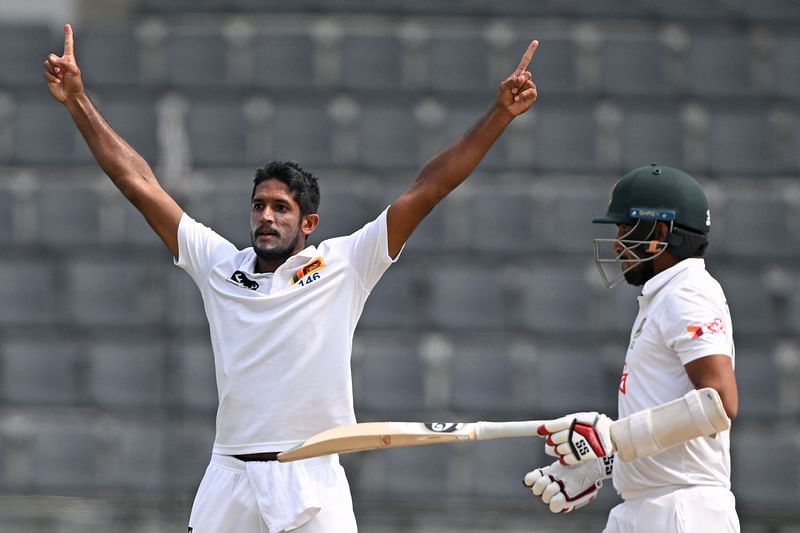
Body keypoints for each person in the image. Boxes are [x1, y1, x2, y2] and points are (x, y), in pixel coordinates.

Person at [43, 23, 539, 532]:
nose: (266, 217)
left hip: (312, 472)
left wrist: (499, 114)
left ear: (308, 224)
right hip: (230, 474)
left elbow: (427, 189)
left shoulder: (344, 265)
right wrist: (78, 101)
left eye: (281, 208)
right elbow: (138, 182)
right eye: (259, 206)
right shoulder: (219, 265)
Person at [523, 164, 740, 532]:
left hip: (683, 510)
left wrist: (615, 436)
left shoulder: (687, 292)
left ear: (660, 231)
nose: (617, 243)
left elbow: (718, 402)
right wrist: (607, 461)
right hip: (647, 505)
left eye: (625, 229)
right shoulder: (663, 296)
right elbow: (661, 416)